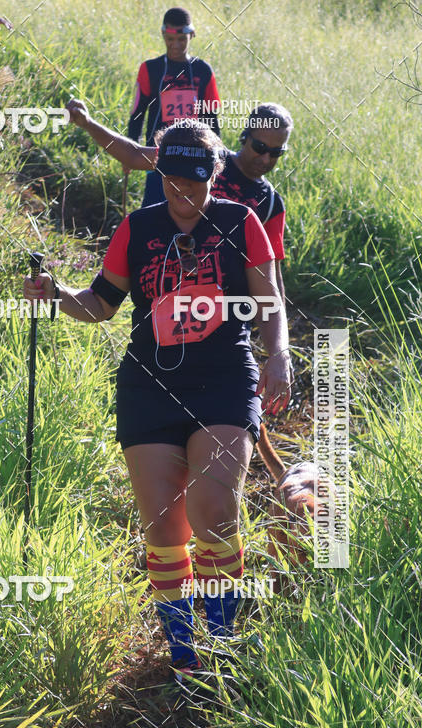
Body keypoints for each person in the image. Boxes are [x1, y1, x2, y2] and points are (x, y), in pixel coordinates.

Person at [24, 122, 291, 684]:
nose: (181, 190)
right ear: (158, 172)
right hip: (148, 385)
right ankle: (185, 653)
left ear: (214, 174)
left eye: (193, 179)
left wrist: (279, 356)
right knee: (164, 530)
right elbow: (100, 304)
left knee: (213, 511)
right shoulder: (138, 227)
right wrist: (55, 295)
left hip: (223, 380)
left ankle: (222, 642)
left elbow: (269, 301)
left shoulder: (241, 222)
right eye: (170, 178)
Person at [68, 98, 292, 303]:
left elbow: (272, 270)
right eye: (260, 148)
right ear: (245, 137)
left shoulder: (271, 203)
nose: (265, 159)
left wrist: (277, 321)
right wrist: (88, 124)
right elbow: (134, 155)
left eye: (276, 152)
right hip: (166, 281)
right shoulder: (205, 156)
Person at [128, 6, 221, 207]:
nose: (176, 45)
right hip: (158, 155)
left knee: (191, 209)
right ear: (163, 35)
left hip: (194, 155)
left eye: (181, 39)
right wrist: (129, 153)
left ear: (192, 34)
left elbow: (211, 118)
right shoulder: (150, 68)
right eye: (170, 39)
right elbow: (137, 114)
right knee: (153, 210)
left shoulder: (203, 70)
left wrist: (217, 155)